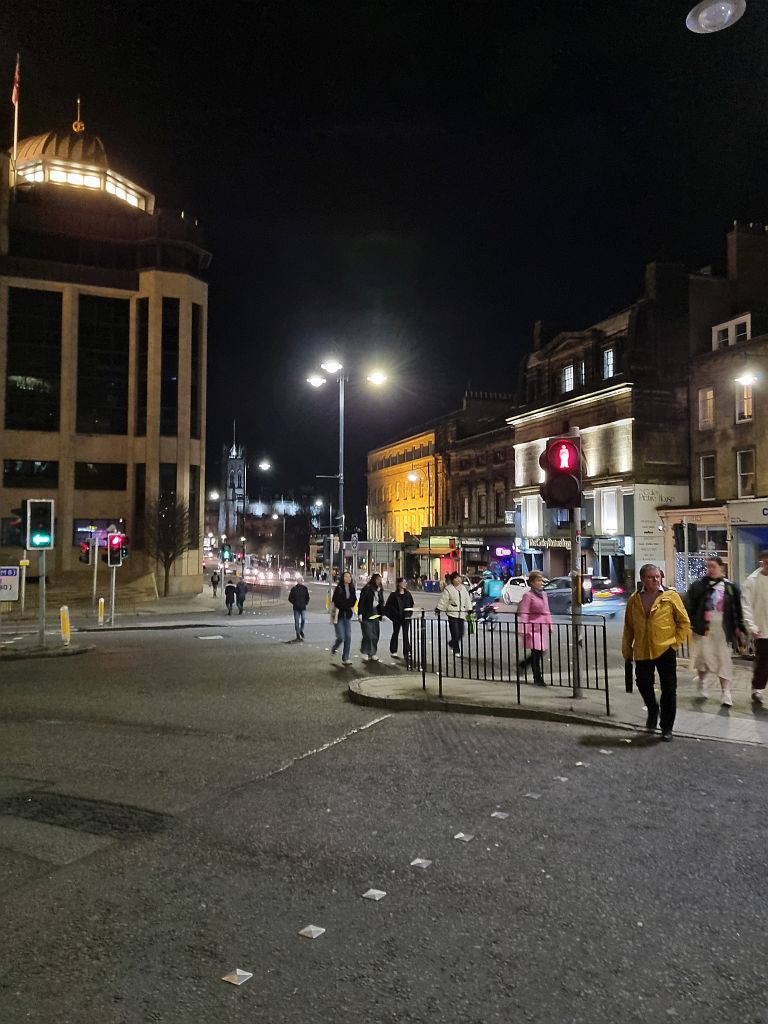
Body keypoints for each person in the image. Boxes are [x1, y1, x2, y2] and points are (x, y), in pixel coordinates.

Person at [622, 563, 691, 741]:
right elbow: (629, 628)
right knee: (643, 683)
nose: (655, 580)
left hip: (665, 648)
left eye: (657, 576)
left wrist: (675, 643)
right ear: (642, 579)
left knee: (669, 688)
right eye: (650, 577)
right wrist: (627, 651)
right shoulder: (634, 599)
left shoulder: (670, 597)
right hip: (642, 649)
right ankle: (653, 709)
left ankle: (667, 727)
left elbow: (684, 622)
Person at [683, 556, 746, 707]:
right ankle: (702, 682)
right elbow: (688, 604)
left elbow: (738, 608)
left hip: (723, 630)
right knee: (702, 659)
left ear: (721, 568)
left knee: (724, 660)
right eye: (708, 566)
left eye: (713, 566)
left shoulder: (730, 587)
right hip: (703, 628)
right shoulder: (698, 585)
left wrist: (739, 627)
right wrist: (691, 622)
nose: (710, 569)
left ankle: (726, 692)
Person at [516, 571, 552, 686]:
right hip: (532, 628)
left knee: (541, 652)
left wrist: (550, 624)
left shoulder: (543, 595)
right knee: (536, 654)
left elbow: (546, 611)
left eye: (541, 580)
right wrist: (523, 629)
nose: (540, 583)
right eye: (538, 580)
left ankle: (523, 664)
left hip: (541, 628)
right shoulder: (528, 596)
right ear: (532, 582)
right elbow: (524, 612)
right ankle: (538, 678)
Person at [741, 550, 768, 704]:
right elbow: (746, 605)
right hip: (762, 628)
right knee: (763, 661)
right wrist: (751, 626)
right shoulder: (751, 581)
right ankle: (757, 689)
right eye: (766, 562)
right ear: (761, 562)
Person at [436, 571, 473, 655]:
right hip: (452, 614)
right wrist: (439, 609)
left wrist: (469, 609)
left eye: (459, 577)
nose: (458, 579)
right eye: (456, 578)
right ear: (452, 580)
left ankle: (451, 643)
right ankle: (456, 649)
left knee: (461, 633)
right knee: (454, 633)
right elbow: (444, 600)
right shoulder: (448, 589)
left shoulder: (463, 589)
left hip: (461, 614)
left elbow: (467, 600)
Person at [384, 578, 415, 659]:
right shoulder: (394, 594)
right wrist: (393, 615)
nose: (405, 584)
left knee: (405, 634)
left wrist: (409, 614)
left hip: (406, 617)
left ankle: (407, 652)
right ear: (399, 584)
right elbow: (388, 606)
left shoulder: (408, 594)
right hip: (397, 618)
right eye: (404, 582)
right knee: (395, 633)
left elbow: (411, 604)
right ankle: (393, 650)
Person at [331, 570, 357, 665]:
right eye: (346, 576)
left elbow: (353, 600)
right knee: (341, 637)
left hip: (348, 616)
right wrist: (347, 605)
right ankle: (334, 647)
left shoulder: (352, 588)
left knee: (348, 637)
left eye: (349, 576)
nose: (348, 578)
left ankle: (345, 658)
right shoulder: (339, 588)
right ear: (342, 578)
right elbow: (337, 601)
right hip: (339, 616)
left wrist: (348, 605)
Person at [358, 572, 385, 661]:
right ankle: (365, 651)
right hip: (367, 612)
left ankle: (373, 652)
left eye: (380, 580)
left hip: (375, 612)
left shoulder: (379, 590)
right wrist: (360, 614)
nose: (379, 581)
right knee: (368, 634)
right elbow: (361, 602)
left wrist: (382, 614)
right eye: (377, 579)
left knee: (375, 634)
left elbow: (381, 603)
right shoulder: (367, 589)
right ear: (373, 580)